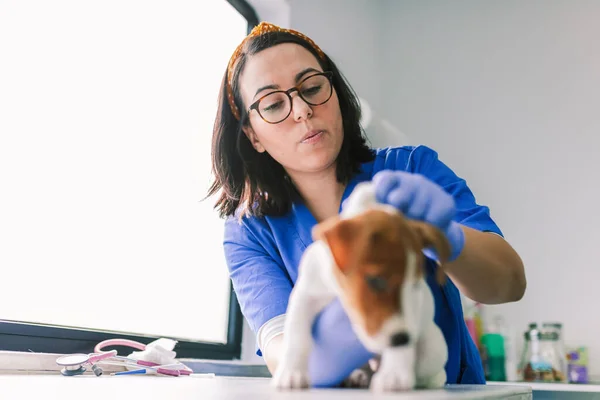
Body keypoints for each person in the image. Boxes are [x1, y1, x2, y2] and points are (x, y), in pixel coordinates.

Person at [207, 21, 526, 387]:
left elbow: (509, 284)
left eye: (312, 88)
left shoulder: (411, 170)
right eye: (274, 104)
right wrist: (340, 335)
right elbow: (281, 351)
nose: (302, 111)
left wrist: (447, 237)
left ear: (337, 97)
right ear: (253, 136)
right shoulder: (249, 231)